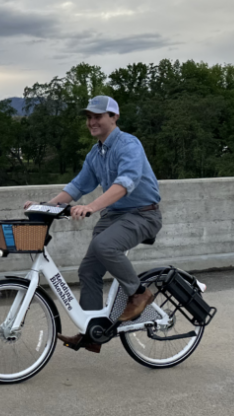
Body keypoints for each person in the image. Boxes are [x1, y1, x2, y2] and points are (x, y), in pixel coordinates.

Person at [25, 95, 162, 354]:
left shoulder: (128, 144)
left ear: (114, 117)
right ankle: (92, 332)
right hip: (114, 216)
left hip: (143, 214)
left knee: (104, 245)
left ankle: (139, 293)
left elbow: (125, 183)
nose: (91, 122)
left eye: (97, 116)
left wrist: (91, 206)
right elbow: (78, 186)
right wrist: (45, 206)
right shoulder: (95, 153)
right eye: (89, 117)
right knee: (88, 271)